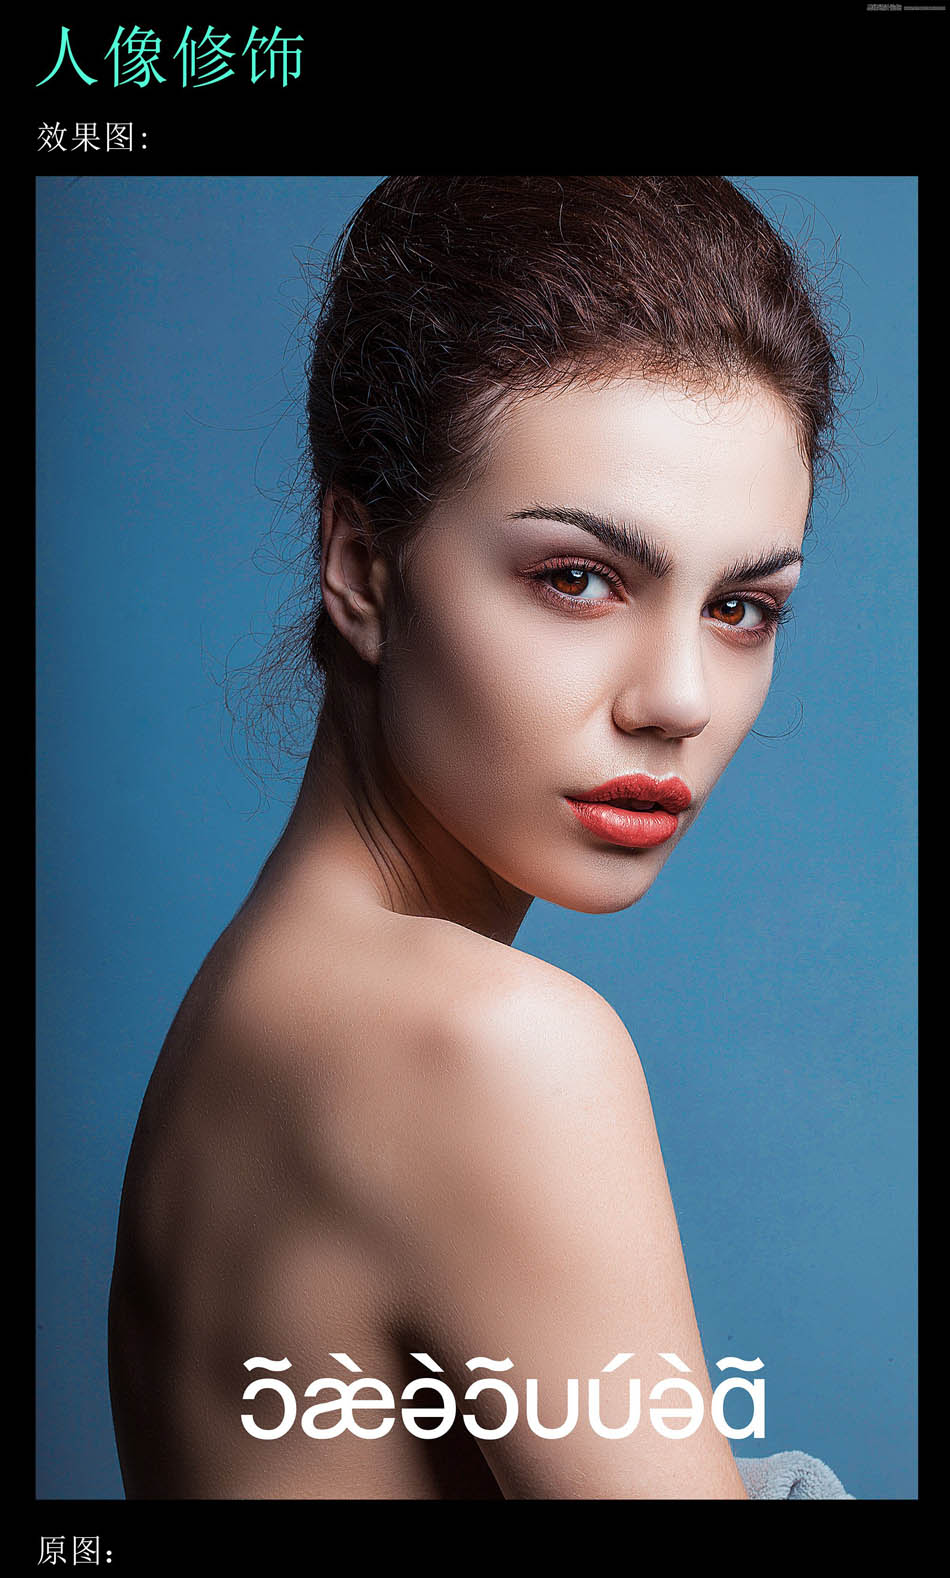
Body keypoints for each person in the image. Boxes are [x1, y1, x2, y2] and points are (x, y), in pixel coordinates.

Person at [108, 176, 843, 1499]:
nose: (678, 698)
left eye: (741, 606)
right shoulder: (484, 1045)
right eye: (578, 577)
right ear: (361, 564)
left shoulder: (257, 1004)